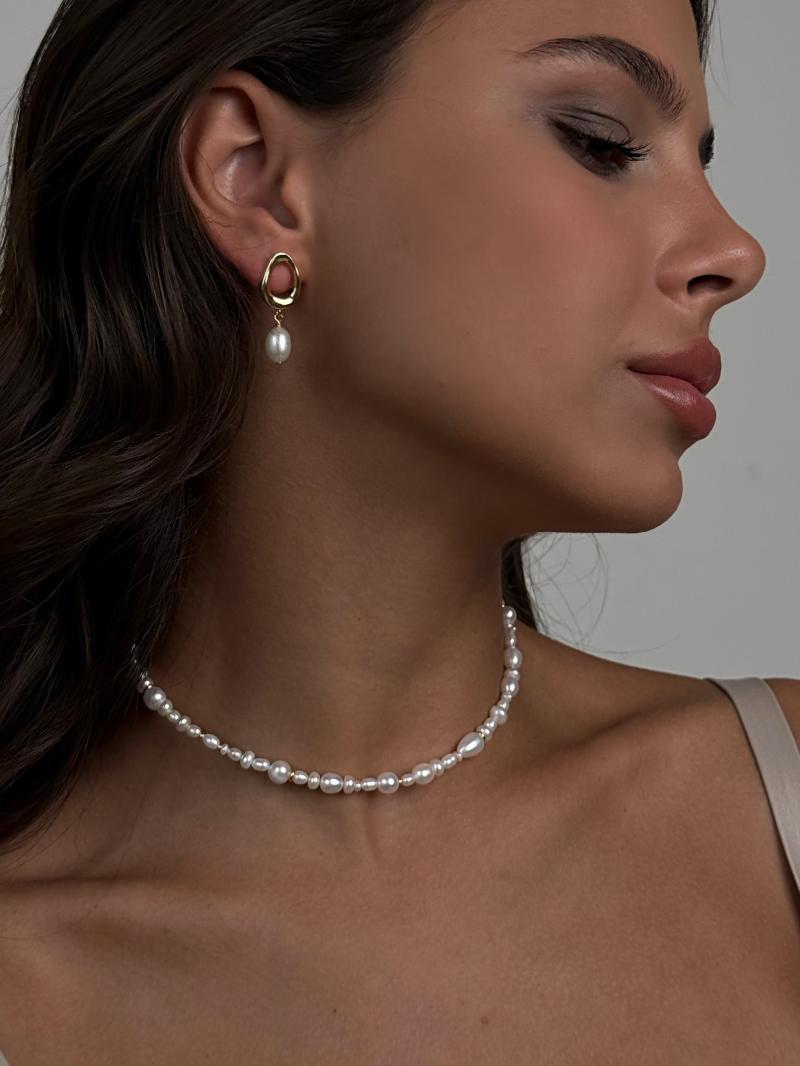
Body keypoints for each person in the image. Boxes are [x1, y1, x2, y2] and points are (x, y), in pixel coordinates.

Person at [0, 0, 798, 1060]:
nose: (735, 252)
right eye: (600, 141)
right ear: (255, 179)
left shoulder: (780, 804)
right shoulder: (27, 970)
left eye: (701, 159)